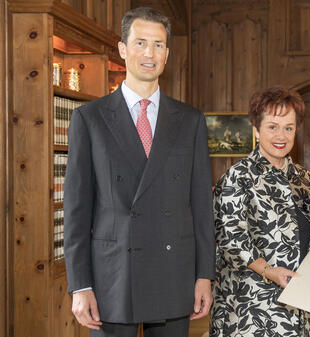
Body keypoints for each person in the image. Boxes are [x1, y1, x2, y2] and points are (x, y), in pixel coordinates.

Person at [64, 7, 215, 337]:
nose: (150, 54)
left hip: (174, 272)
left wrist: (205, 275)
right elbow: (76, 211)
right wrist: (79, 285)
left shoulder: (191, 121)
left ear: (168, 53)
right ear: (122, 48)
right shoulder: (90, 119)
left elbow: (202, 206)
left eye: (159, 45)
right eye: (141, 43)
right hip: (112, 276)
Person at [210, 86, 310, 337]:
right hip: (249, 307)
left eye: (289, 127)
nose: (281, 135)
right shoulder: (238, 176)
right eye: (272, 126)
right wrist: (268, 271)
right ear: (256, 129)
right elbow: (231, 239)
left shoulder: (304, 178)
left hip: (297, 304)